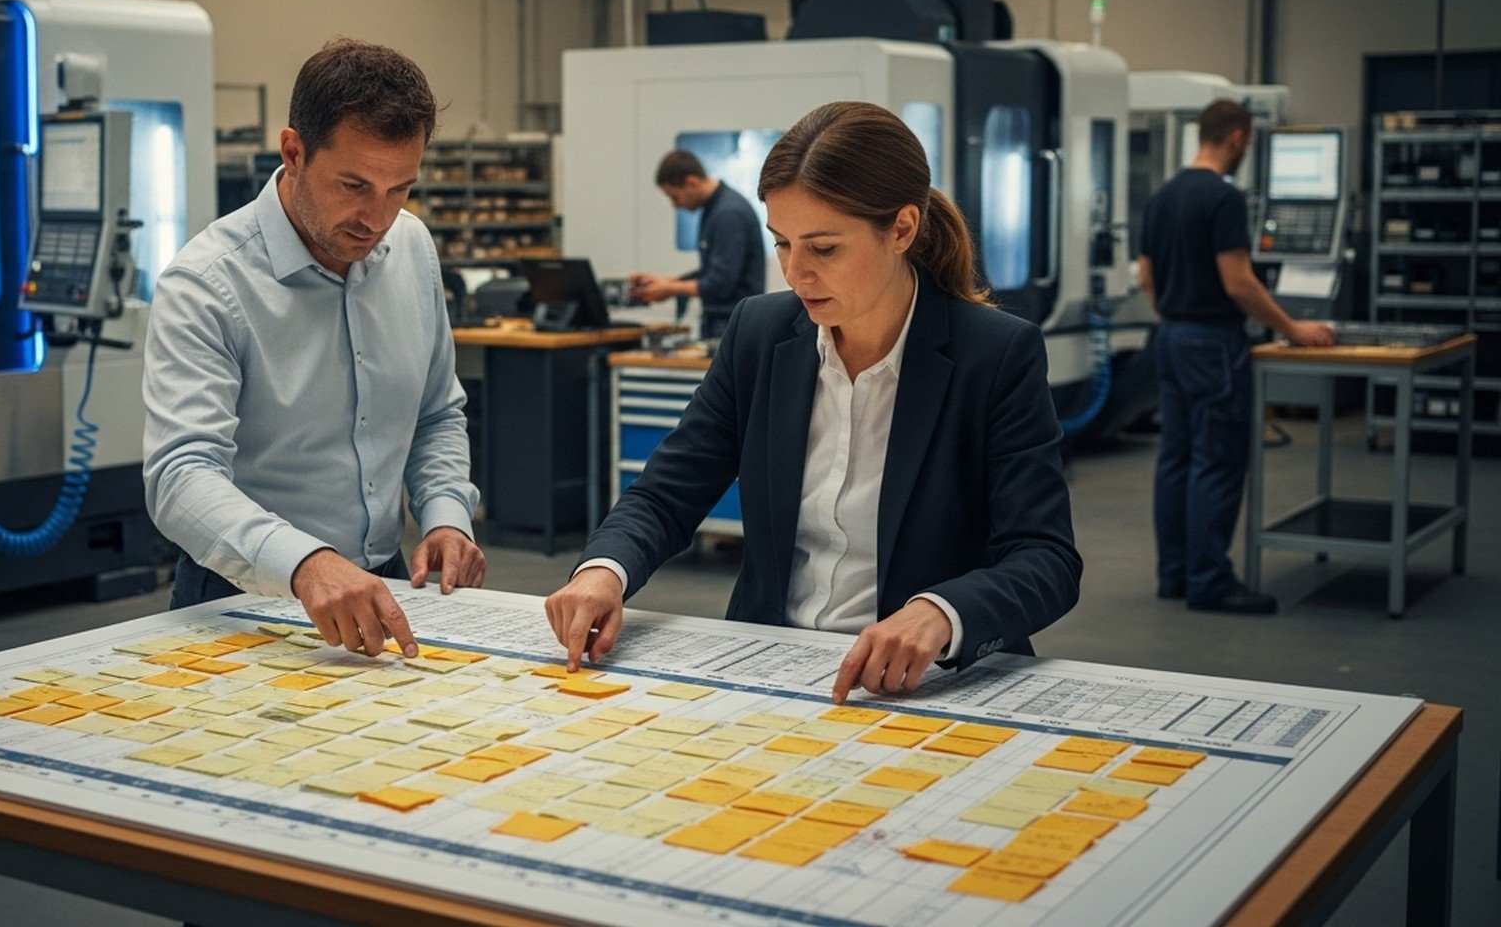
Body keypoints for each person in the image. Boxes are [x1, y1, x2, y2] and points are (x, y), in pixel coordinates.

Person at [546, 101, 1081, 699]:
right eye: (781, 244)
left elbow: (1045, 558)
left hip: (926, 685)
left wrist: (941, 613)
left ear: (902, 229)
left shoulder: (995, 354)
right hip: (770, 666)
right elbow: (667, 493)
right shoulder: (760, 333)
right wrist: (603, 570)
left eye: (824, 249)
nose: (796, 275)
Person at [143, 39, 485, 658]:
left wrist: (444, 515)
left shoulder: (412, 248)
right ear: (294, 152)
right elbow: (180, 476)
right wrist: (304, 563)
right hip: (243, 596)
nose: (376, 218)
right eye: (353, 185)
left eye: (399, 189)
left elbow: (435, 413)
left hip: (384, 585)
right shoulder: (207, 284)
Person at [1136, 100, 1335, 615]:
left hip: (1171, 336)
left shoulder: (1162, 196)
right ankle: (1210, 582)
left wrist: (1175, 320)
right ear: (1238, 139)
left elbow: (1145, 279)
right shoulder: (1222, 199)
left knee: (1175, 458)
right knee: (1217, 460)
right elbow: (1239, 282)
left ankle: (1174, 575)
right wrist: (1291, 327)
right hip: (1211, 342)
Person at [629, 150, 766, 338]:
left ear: (691, 182)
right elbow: (709, 272)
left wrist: (669, 289)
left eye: (675, 197)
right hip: (724, 322)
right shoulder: (714, 210)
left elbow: (719, 284)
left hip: (733, 324)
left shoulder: (728, 214)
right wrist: (666, 282)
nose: (674, 205)